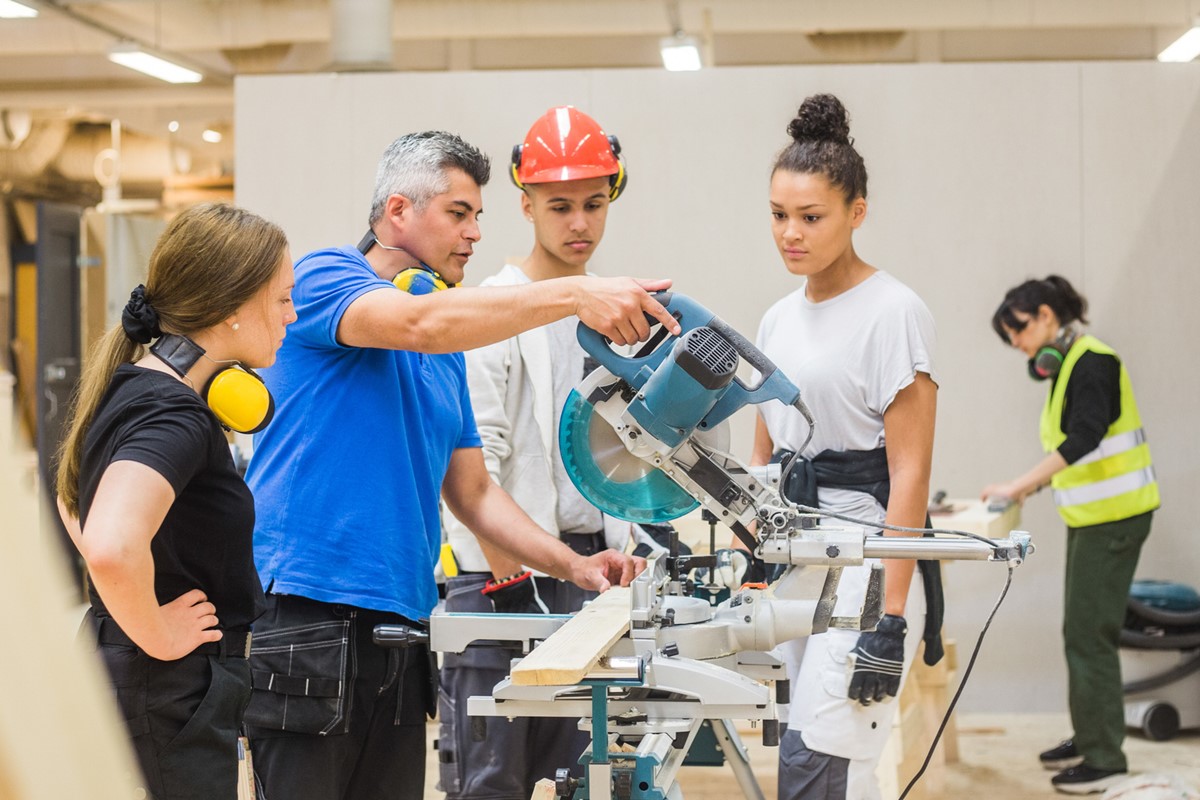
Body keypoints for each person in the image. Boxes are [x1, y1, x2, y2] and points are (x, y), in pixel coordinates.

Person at [243, 130, 678, 800]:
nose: (475, 231)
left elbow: (474, 492)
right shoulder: (325, 276)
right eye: (458, 213)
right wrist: (571, 293)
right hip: (309, 616)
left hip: (398, 628)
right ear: (397, 213)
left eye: (479, 214)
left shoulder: (444, 352)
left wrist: (573, 564)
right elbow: (419, 323)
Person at [436, 106, 672, 800]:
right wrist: (516, 584)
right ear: (526, 204)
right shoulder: (495, 310)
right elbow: (476, 473)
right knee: (492, 785)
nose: (580, 223)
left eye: (595, 203)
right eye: (560, 205)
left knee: (576, 784)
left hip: (586, 579)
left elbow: (621, 455)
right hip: (499, 586)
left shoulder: (611, 311)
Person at [54, 203, 295, 800]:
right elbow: (109, 544)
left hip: (148, 685)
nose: (292, 316)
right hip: (164, 687)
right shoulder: (176, 416)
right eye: (283, 299)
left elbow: (74, 503)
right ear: (234, 309)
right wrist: (156, 632)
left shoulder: (133, 385)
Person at [749, 94, 940, 800]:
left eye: (810, 216)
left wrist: (891, 619)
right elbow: (765, 452)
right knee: (840, 767)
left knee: (817, 760)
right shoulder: (777, 319)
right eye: (778, 214)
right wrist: (756, 560)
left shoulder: (895, 313)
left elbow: (910, 473)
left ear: (857, 211)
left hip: (863, 559)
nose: (789, 233)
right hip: (796, 556)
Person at [982, 275, 1158, 795]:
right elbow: (1081, 450)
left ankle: (1105, 757)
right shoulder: (1073, 364)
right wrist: (1027, 491)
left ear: (1044, 316)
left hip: (1116, 520)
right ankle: (1089, 736)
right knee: (1078, 632)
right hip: (1095, 519)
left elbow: (1085, 437)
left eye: (1017, 332)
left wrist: (1019, 485)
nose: (1017, 345)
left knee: (1089, 637)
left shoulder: (1092, 361)